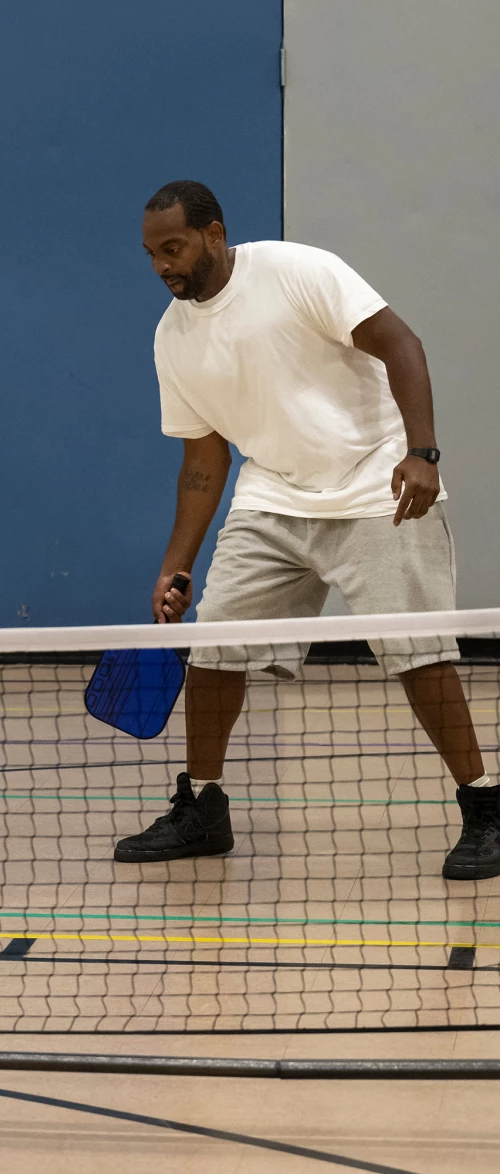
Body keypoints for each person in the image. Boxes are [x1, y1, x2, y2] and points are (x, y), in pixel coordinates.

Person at [115, 179, 496, 881]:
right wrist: (176, 565)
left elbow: (401, 343)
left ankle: (484, 806)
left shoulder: (297, 272)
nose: (163, 265)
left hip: (375, 485)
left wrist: (422, 453)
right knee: (215, 646)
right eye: (150, 254)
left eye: (173, 248)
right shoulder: (173, 338)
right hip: (275, 497)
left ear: (214, 235)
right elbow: (204, 459)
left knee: (418, 651)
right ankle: (202, 805)